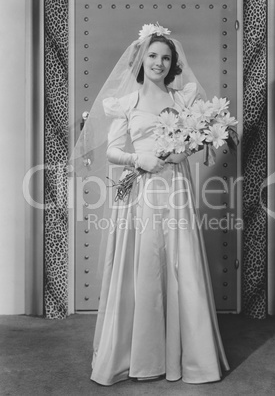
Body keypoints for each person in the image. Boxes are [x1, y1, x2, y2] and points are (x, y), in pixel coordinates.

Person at [72, 23, 229, 386]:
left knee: (178, 262)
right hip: (140, 191)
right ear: (141, 59)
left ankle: (189, 357)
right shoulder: (126, 102)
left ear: (173, 63)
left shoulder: (182, 100)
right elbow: (110, 150)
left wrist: (185, 149)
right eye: (153, 56)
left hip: (175, 189)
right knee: (142, 264)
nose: (159, 62)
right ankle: (139, 356)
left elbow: (198, 142)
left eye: (166, 58)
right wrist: (136, 161)